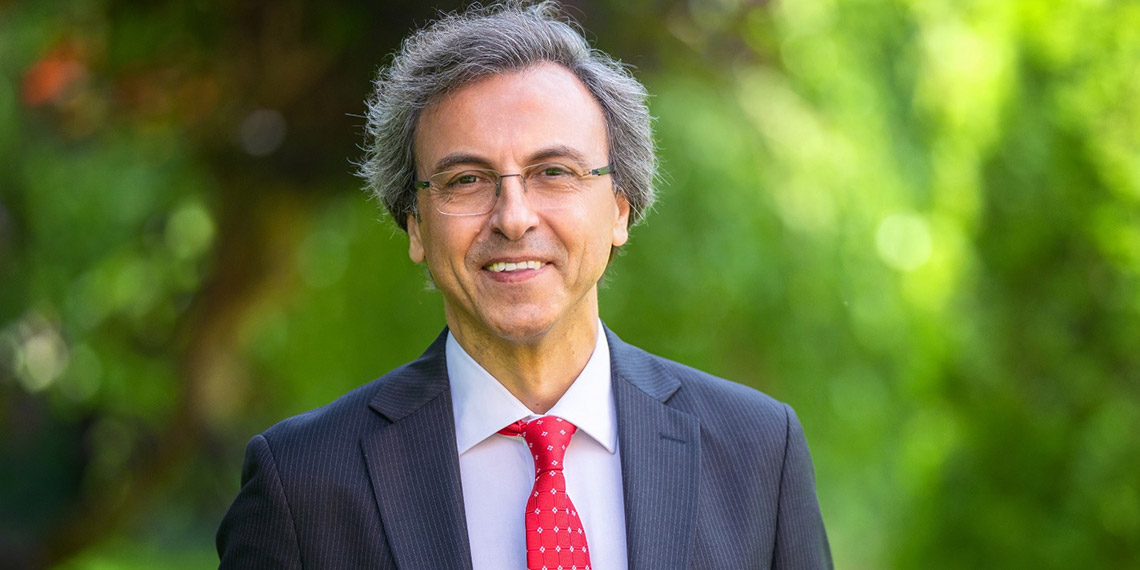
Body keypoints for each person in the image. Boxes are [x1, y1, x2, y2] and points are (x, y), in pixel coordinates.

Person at [216, 1, 831, 568]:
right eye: (466, 180)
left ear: (619, 210)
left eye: (554, 171)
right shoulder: (301, 484)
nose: (513, 218)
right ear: (415, 226)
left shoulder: (758, 451)